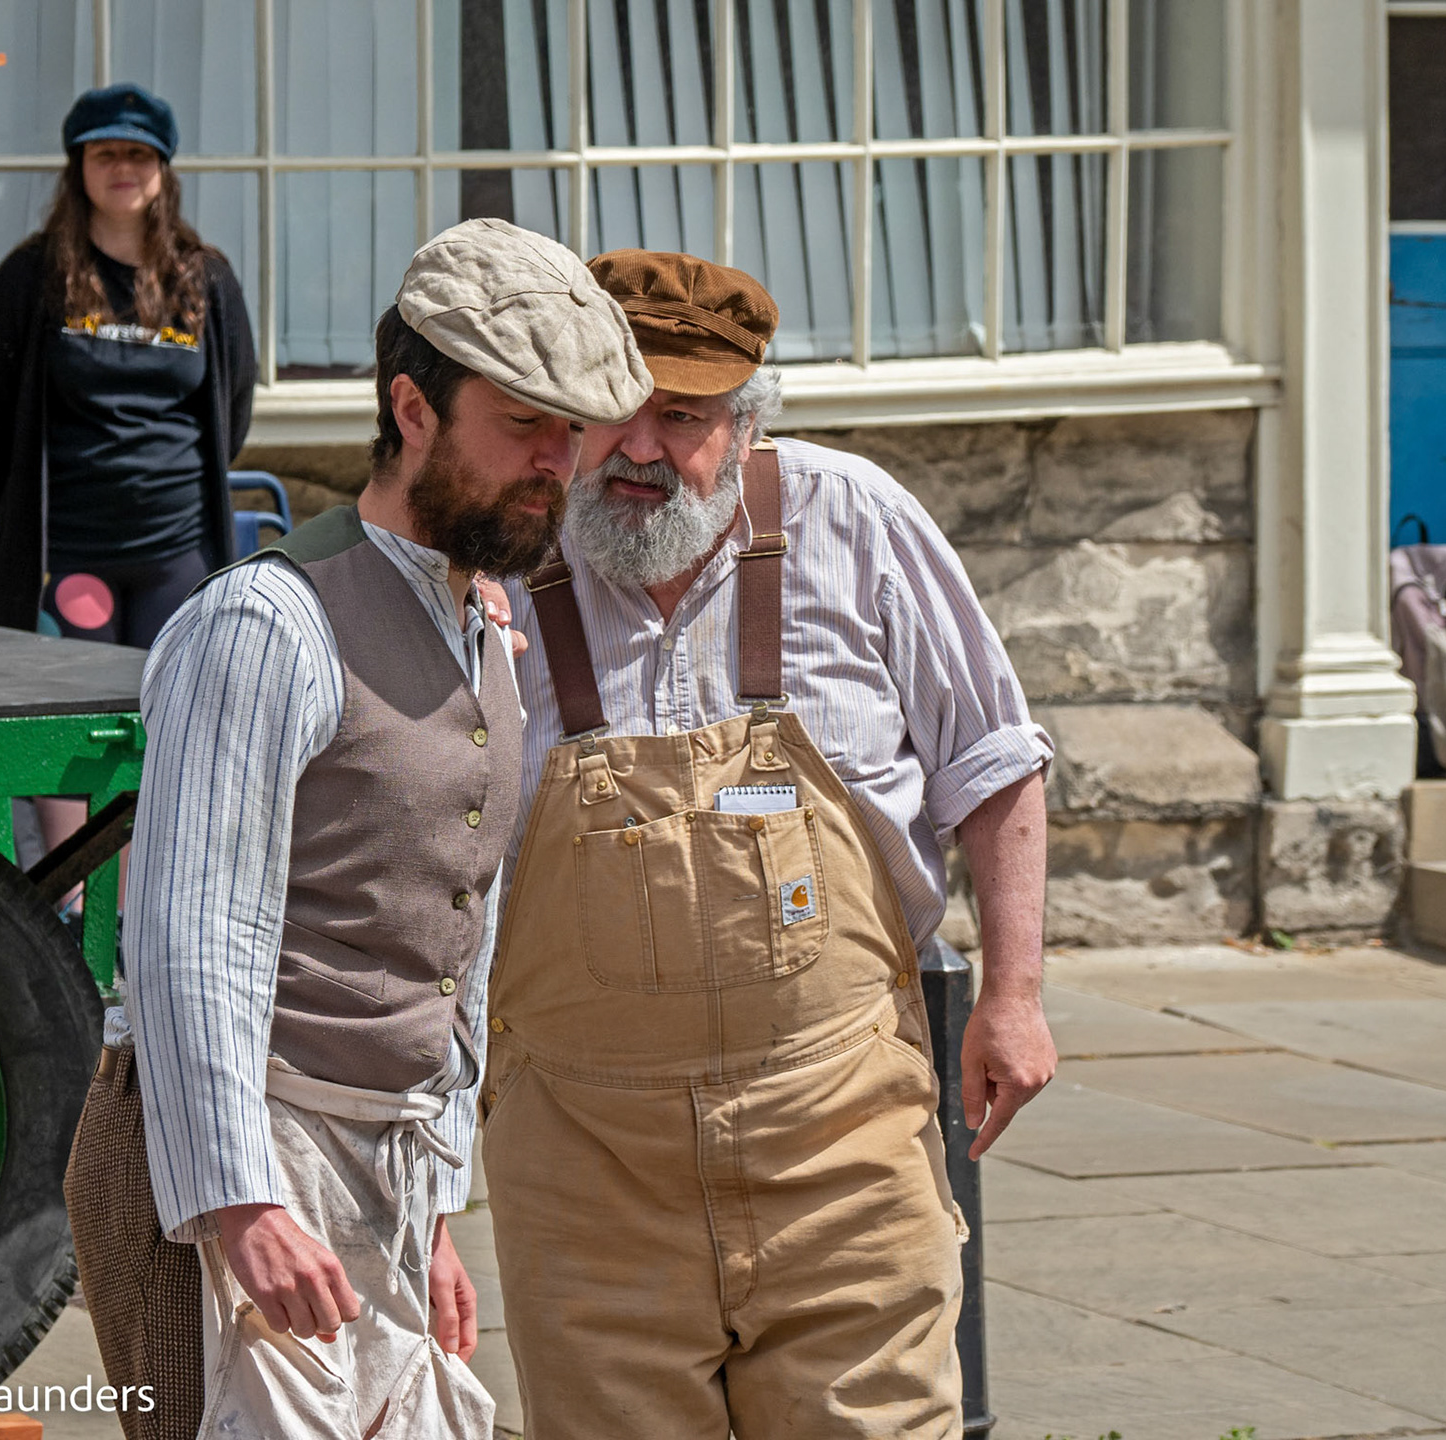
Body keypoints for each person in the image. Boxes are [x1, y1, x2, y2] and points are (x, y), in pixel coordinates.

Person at [62, 218, 652, 1440]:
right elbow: (190, 935)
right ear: (412, 408)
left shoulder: (483, 617)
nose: (560, 462)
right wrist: (237, 1203)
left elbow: (449, 942)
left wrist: (433, 1204)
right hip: (249, 1146)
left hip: (383, 1170)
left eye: (572, 431)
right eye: (523, 424)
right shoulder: (266, 625)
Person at [483, 250, 1058, 1438]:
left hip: (840, 1139)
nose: (641, 448)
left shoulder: (857, 519)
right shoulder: (489, 563)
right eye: (615, 410)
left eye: (681, 418)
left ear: (746, 426)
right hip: (586, 1164)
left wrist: (1016, 994)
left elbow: (993, 759)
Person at [0, 82, 258, 873]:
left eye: (136, 152)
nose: (121, 166)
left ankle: (143, 897)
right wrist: (28, 517)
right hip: (71, 561)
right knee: (65, 728)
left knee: (173, 719)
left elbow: (231, 407)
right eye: (103, 153)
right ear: (78, 167)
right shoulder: (33, 278)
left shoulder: (205, 278)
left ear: (162, 168)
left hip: (176, 557)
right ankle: (75, 892)